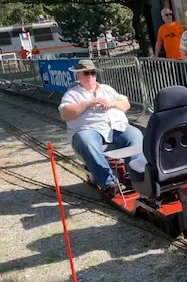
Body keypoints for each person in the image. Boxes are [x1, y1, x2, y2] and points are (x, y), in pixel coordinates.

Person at [58, 59, 144, 197]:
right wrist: (88, 103)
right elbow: (65, 113)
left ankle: (133, 175)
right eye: (86, 73)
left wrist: (112, 103)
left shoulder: (106, 89)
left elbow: (125, 104)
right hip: (88, 129)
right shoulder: (72, 94)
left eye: (93, 73)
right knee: (87, 141)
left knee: (136, 135)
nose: (91, 76)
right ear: (78, 75)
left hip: (115, 126)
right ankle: (109, 183)